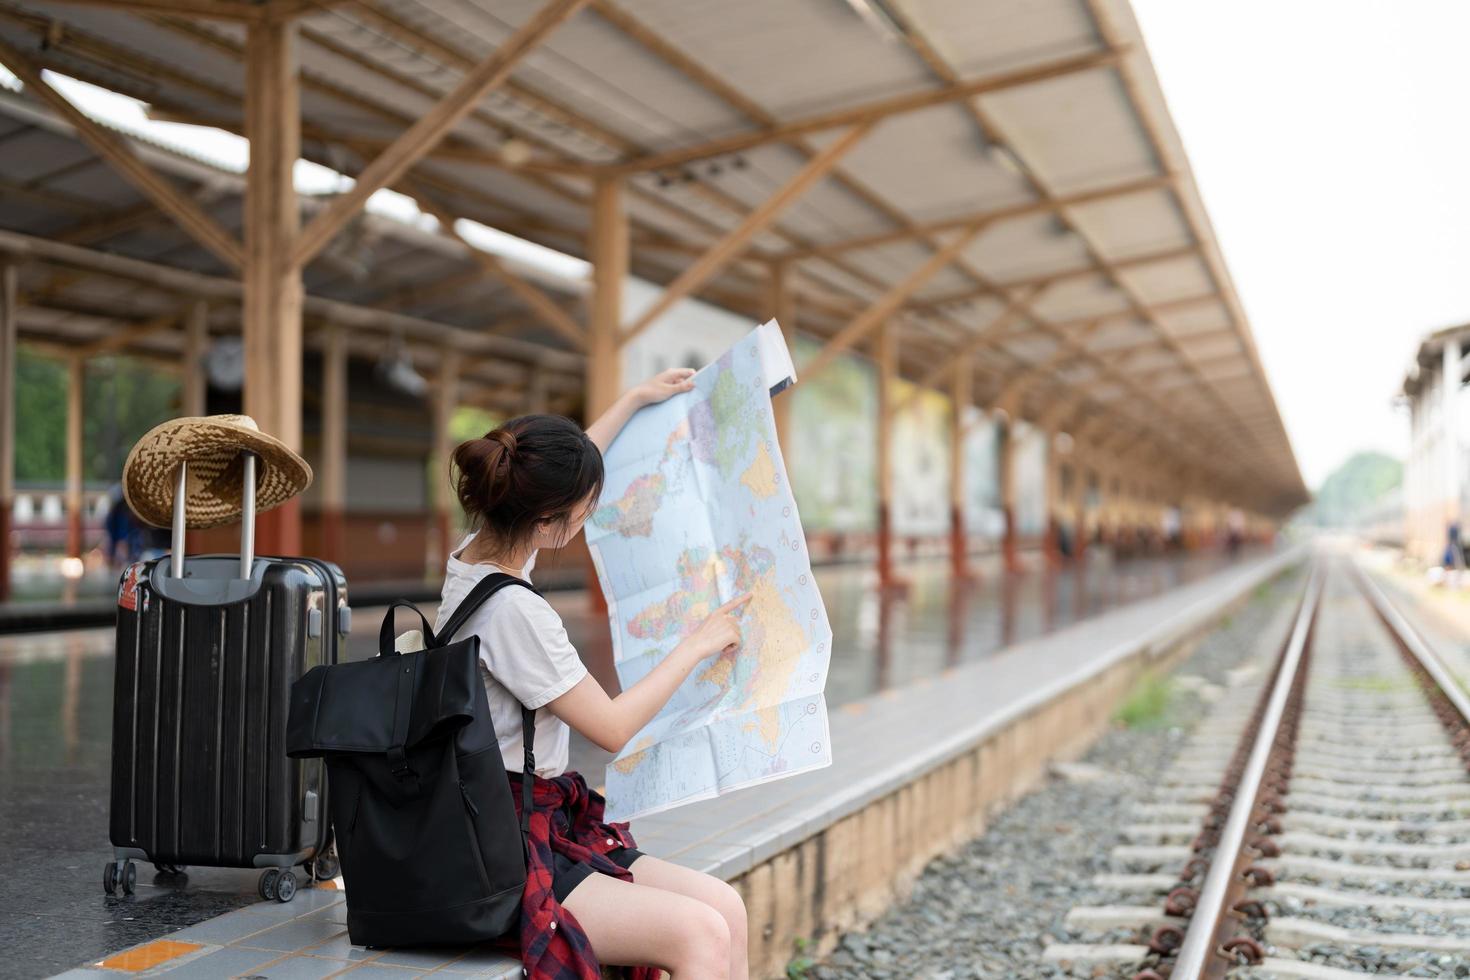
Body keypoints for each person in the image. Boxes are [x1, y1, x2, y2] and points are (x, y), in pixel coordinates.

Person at [434, 368, 750, 980]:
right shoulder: (516, 613)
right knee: (702, 930)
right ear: (553, 523)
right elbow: (610, 727)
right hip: (508, 847)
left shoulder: (475, 554)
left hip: (527, 816)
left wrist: (633, 399)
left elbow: (556, 473)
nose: (587, 519)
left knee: (725, 907)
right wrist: (697, 643)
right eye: (585, 510)